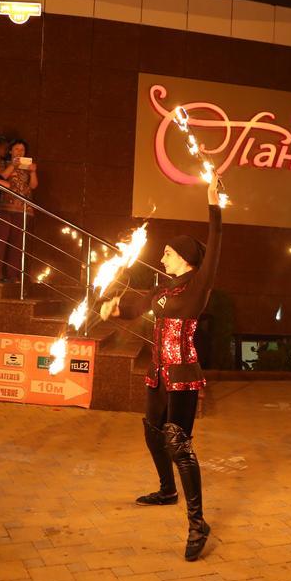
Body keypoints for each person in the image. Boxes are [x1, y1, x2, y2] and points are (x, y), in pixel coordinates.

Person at [99, 173, 223, 561]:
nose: (163, 257)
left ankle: (197, 522)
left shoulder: (198, 284)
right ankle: (166, 490)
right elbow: (137, 308)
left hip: (183, 374)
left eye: (168, 253)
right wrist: (115, 309)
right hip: (158, 372)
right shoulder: (165, 289)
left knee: (178, 442)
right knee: (152, 431)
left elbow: (216, 244)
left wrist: (213, 203)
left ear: (185, 257)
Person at [0, 139, 38, 281]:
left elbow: (33, 186)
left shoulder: (28, 168)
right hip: (6, 207)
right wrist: (13, 165)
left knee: (17, 244)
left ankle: (13, 275)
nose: (19, 152)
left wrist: (33, 172)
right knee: (0, 240)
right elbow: (1, 177)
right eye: (17, 149)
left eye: (22, 150)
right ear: (11, 151)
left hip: (24, 208)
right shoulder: (4, 164)